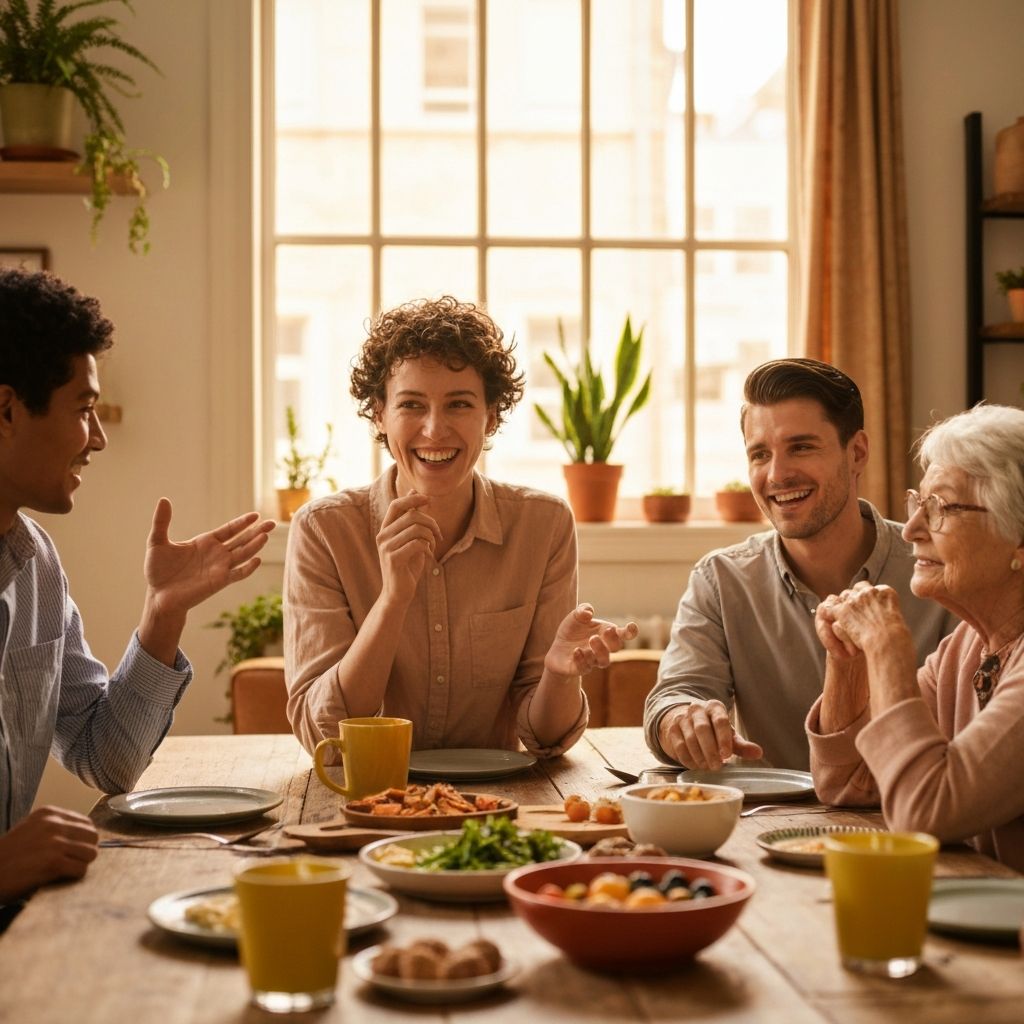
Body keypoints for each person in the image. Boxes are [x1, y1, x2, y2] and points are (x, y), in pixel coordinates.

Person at [0, 268, 275, 906]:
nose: (96, 439)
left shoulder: (36, 565)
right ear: (7, 410)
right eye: (84, 410)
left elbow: (107, 760)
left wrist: (163, 614)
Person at [285, 296, 636, 758]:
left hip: (499, 806)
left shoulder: (543, 525)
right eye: (411, 404)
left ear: (490, 416)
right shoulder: (324, 531)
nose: (434, 430)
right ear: (379, 413)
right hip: (367, 799)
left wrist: (558, 675)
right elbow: (326, 736)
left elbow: (545, 738)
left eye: (459, 404)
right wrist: (393, 599)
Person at [644, 358, 956, 772]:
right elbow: (677, 694)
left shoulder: (941, 569)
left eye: (801, 447)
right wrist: (681, 721)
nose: (777, 474)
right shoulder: (721, 580)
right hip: (767, 828)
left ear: (857, 452)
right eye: (759, 454)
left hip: (916, 823)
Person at [808, 404, 1024, 871]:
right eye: (917, 503)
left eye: (941, 508)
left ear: (1018, 541)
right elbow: (851, 784)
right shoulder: (965, 649)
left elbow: (925, 813)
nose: (910, 529)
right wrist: (847, 664)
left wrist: (886, 649)